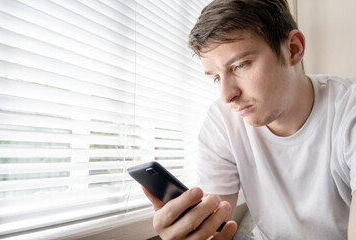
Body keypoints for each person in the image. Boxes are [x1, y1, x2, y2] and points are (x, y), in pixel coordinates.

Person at [143, 0, 356, 239]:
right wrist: (191, 230)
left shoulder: (349, 108)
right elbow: (216, 226)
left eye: (240, 65)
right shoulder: (222, 121)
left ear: (293, 49)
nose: (226, 96)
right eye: (215, 77)